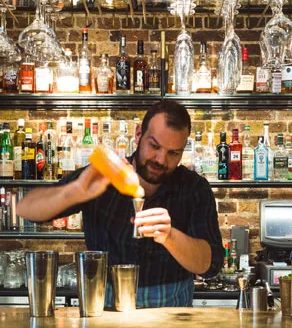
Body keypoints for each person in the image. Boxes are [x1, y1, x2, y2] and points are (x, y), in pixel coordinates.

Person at [17, 99, 222, 307]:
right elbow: (26, 209)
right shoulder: (103, 177)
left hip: (173, 320)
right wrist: (74, 191)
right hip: (104, 311)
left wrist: (170, 236)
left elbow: (210, 265)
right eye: (154, 146)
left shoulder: (194, 188)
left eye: (173, 153)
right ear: (138, 134)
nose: (161, 160)